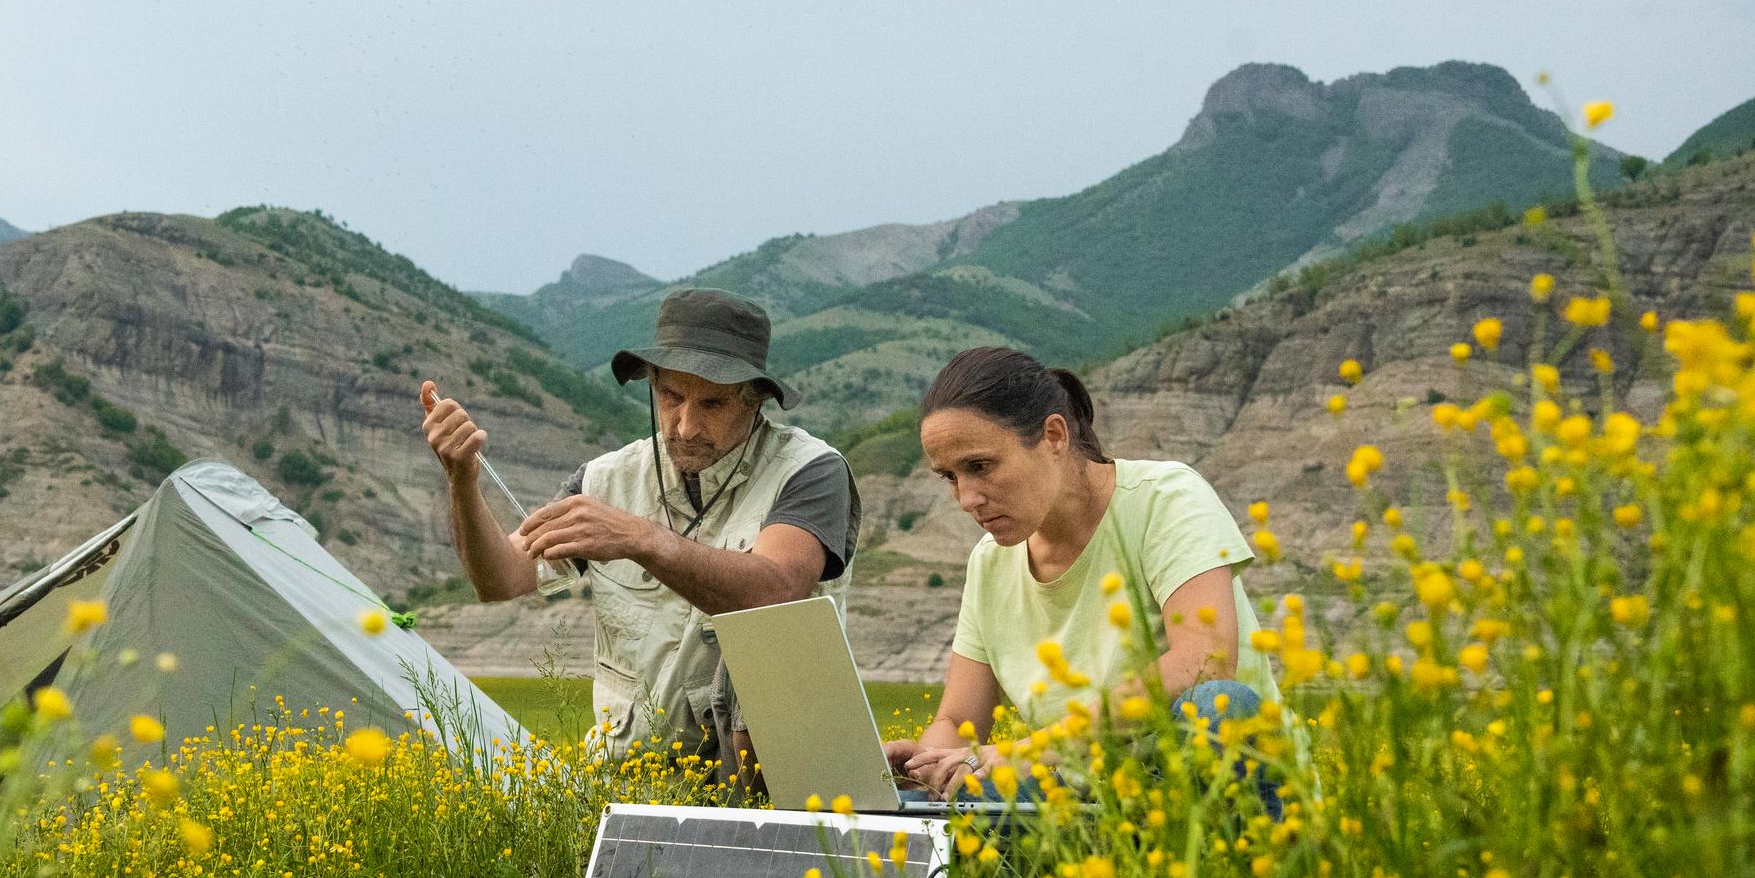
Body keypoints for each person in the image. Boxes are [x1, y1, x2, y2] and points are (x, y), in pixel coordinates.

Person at [420, 288, 859, 780]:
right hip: (628, 782)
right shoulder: (607, 479)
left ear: (756, 400)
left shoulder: (811, 473)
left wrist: (641, 538)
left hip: (770, 784)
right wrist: (461, 480)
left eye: (712, 404)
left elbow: (776, 589)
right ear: (651, 384)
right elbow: (499, 578)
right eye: (671, 397)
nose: (686, 426)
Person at [886, 346, 1278, 798]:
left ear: (1054, 435)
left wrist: (1029, 750)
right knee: (929, 803)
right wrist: (922, 765)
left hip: (1194, 791)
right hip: (1083, 803)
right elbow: (958, 721)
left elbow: (1205, 662)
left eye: (980, 467)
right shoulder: (989, 561)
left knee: (1220, 707)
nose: (967, 498)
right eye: (950, 477)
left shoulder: (1165, 498)